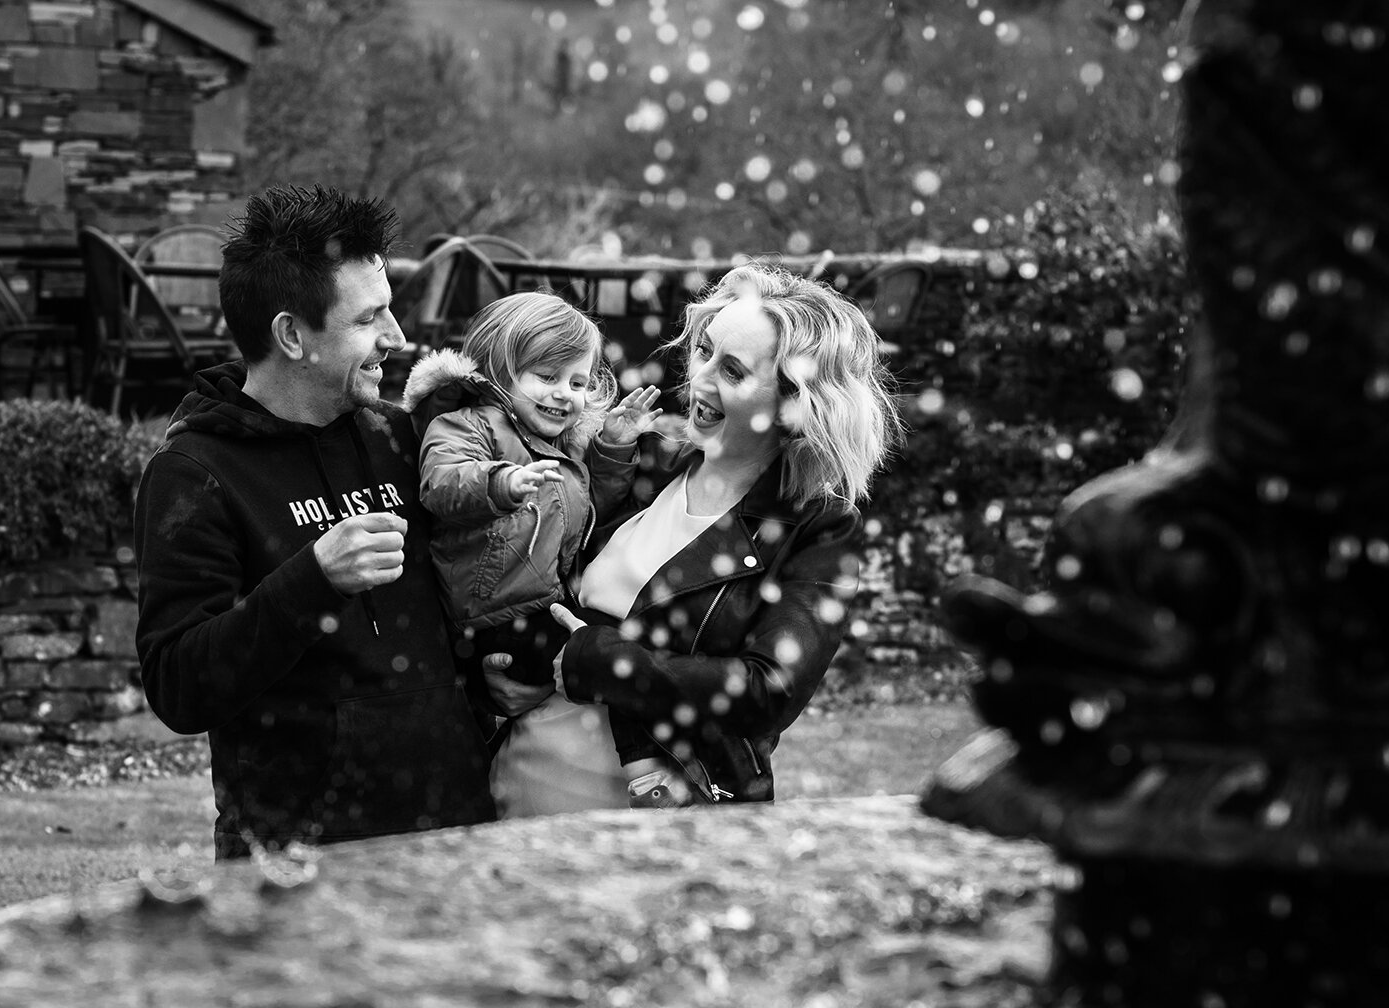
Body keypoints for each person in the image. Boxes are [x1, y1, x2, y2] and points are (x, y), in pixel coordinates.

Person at [133, 185, 496, 859]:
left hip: (453, 838)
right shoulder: (196, 475)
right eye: (370, 319)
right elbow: (178, 684)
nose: (399, 338)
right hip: (298, 864)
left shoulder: (398, 437)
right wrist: (313, 579)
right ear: (292, 335)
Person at [483, 262, 904, 816]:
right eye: (704, 351)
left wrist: (606, 665)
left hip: (655, 833)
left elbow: (766, 692)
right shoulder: (640, 459)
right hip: (510, 799)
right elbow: (517, 566)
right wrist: (506, 663)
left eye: (732, 371)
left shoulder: (818, 528)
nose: (698, 380)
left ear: (792, 404)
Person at [401, 291, 661, 709]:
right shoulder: (466, 425)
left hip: (545, 607)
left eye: (577, 383)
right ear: (500, 373)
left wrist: (611, 446)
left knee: (628, 642)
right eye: (547, 376)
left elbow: (591, 506)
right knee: (614, 658)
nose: (565, 394)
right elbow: (442, 483)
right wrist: (502, 483)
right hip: (492, 619)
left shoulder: (560, 446)